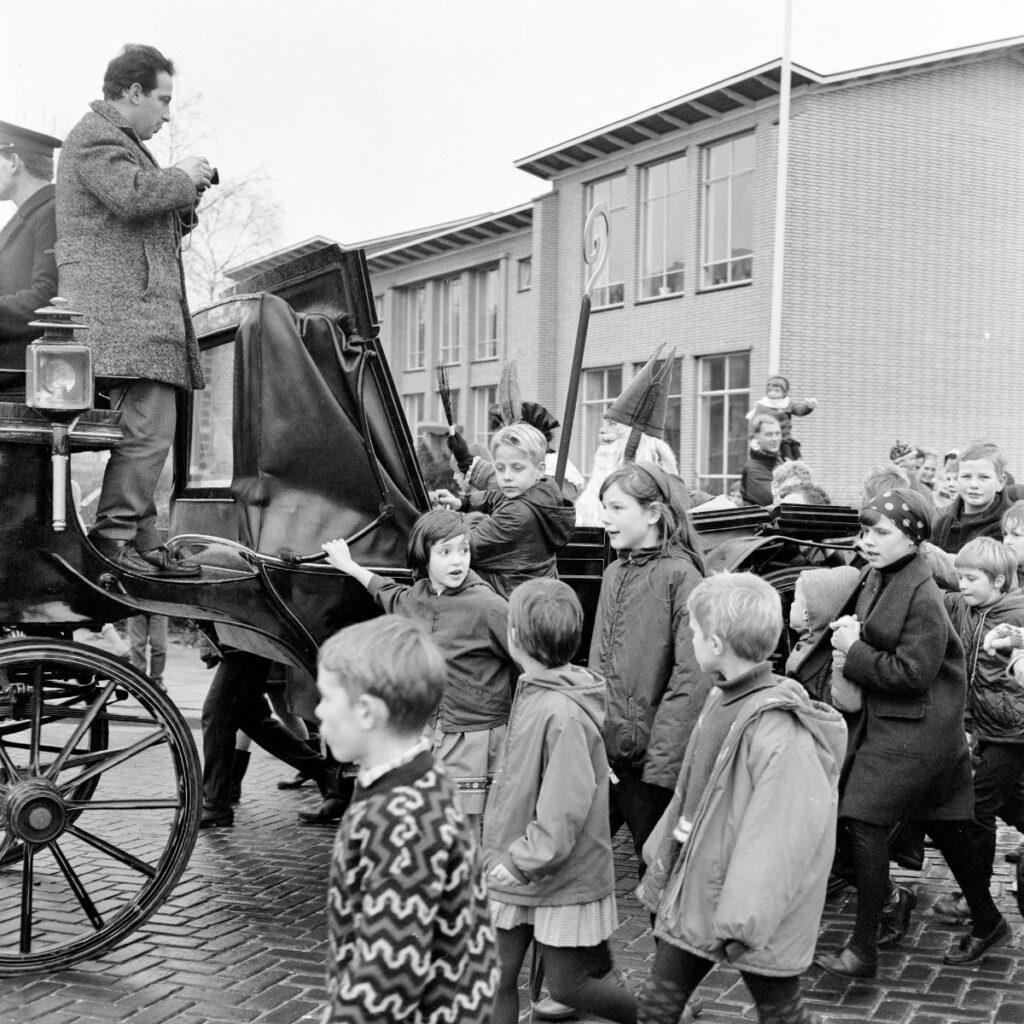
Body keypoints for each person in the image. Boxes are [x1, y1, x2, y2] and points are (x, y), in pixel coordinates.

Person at [814, 489, 1011, 979]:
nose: (868, 541)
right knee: (949, 832)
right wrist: (849, 631)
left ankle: (863, 948)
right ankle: (988, 922)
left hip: (916, 733)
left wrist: (853, 647)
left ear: (914, 536)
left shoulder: (922, 594)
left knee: (863, 819)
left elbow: (912, 673)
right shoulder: (882, 574)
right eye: (865, 531)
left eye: (881, 532)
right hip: (909, 731)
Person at [637, 573, 845, 1024]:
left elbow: (781, 833)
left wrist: (744, 918)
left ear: (714, 643)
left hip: (747, 906)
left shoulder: (778, 727)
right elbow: (695, 788)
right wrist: (663, 849)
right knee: (657, 1004)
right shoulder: (721, 700)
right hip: (700, 884)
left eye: (692, 632)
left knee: (780, 1011)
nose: (689, 639)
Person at [56, 44, 214, 577]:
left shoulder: (112, 141)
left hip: (133, 321)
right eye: (163, 101)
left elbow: (141, 213)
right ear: (133, 93)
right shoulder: (97, 136)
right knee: (146, 434)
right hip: (124, 323)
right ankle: (115, 539)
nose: (167, 116)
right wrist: (181, 175)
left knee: (150, 435)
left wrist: (185, 192)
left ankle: (144, 538)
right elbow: (131, 196)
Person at [315, 615, 498, 1024]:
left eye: (327, 698)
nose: (317, 711)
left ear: (365, 712)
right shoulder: (417, 779)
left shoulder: (403, 816)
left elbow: (391, 969)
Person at [484, 579, 636, 1024]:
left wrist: (522, 860)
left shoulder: (562, 712)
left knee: (569, 985)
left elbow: (563, 808)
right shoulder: (536, 693)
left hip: (547, 868)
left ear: (515, 638)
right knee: (496, 974)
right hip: (521, 860)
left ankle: (659, 1015)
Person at [322, 509, 516, 821]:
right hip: (429, 729)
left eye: (463, 550)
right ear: (423, 557)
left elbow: (527, 657)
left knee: (465, 822)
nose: (457, 561)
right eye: (445, 552)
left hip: (475, 733)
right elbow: (387, 592)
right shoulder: (415, 597)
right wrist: (349, 565)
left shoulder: (489, 606)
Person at [590, 462, 712, 877]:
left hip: (647, 767)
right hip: (608, 755)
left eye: (617, 507)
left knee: (657, 875)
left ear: (653, 512)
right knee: (574, 864)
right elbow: (600, 665)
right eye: (603, 506)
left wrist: (662, 764)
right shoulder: (613, 573)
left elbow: (692, 677)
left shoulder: (681, 576)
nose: (605, 517)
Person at [934, 538, 1024, 923]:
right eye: (960, 577)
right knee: (1006, 800)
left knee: (976, 811)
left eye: (971, 578)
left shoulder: (1015, 611)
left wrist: (1017, 639)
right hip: (988, 728)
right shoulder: (971, 607)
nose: (963, 585)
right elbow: (936, 583)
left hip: (1015, 732)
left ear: (1000, 582)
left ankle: (976, 894)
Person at [199, 651, 344, 829]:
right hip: (247, 641)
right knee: (251, 717)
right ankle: (329, 775)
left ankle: (215, 805)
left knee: (217, 716)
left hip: (244, 641)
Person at [432, 423, 575, 598]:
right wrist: (461, 503)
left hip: (510, 601)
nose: (506, 476)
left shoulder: (518, 513)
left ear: (539, 470)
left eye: (517, 468)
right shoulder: (541, 490)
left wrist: (461, 517)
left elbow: (465, 547)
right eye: (500, 468)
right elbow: (496, 497)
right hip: (532, 593)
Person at [0, 121, 60, 372]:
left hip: (27, 375)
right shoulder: (32, 214)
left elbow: (47, 297)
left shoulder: (53, 212)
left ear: (14, 162)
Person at [932, 441, 1024, 554]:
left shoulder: (1009, 527)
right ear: (957, 479)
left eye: (983, 477)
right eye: (966, 476)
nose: (973, 485)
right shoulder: (941, 523)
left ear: (1000, 482)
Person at [785, 566, 860, 704]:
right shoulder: (806, 643)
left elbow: (848, 703)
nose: (791, 605)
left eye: (794, 601)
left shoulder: (829, 659)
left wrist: (841, 658)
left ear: (807, 614)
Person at [746, 375, 817, 461]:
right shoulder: (762, 405)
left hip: (786, 437)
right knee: (786, 457)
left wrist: (808, 407)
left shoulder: (787, 403)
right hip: (772, 438)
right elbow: (754, 423)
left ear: (784, 393)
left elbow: (799, 410)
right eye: (770, 391)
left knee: (796, 454)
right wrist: (753, 438)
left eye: (777, 391)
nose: (773, 393)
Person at [740, 415, 784, 506]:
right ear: (757, 437)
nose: (775, 439)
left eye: (778, 433)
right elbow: (771, 499)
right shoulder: (752, 467)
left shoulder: (779, 461)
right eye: (769, 434)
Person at [127, 612, 168, 689]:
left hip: (159, 606)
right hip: (136, 605)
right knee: (137, 646)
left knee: (159, 646)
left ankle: (156, 681)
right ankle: (139, 681)